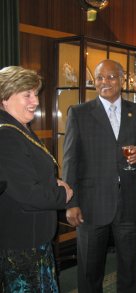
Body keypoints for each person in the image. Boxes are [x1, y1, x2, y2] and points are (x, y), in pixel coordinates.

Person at [62, 59, 136, 292]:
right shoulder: (79, 113)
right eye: (100, 78)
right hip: (91, 205)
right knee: (89, 271)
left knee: (130, 268)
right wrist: (70, 202)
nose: (105, 82)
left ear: (122, 79)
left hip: (129, 203)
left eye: (111, 77)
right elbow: (70, 161)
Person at [0, 66, 73, 292]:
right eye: (27, 95)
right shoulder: (6, 135)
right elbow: (28, 193)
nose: (36, 101)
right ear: (4, 97)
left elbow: (30, 176)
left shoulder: (18, 128)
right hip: (22, 245)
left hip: (32, 240)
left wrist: (52, 183)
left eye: (36, 94)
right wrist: (63, 194)